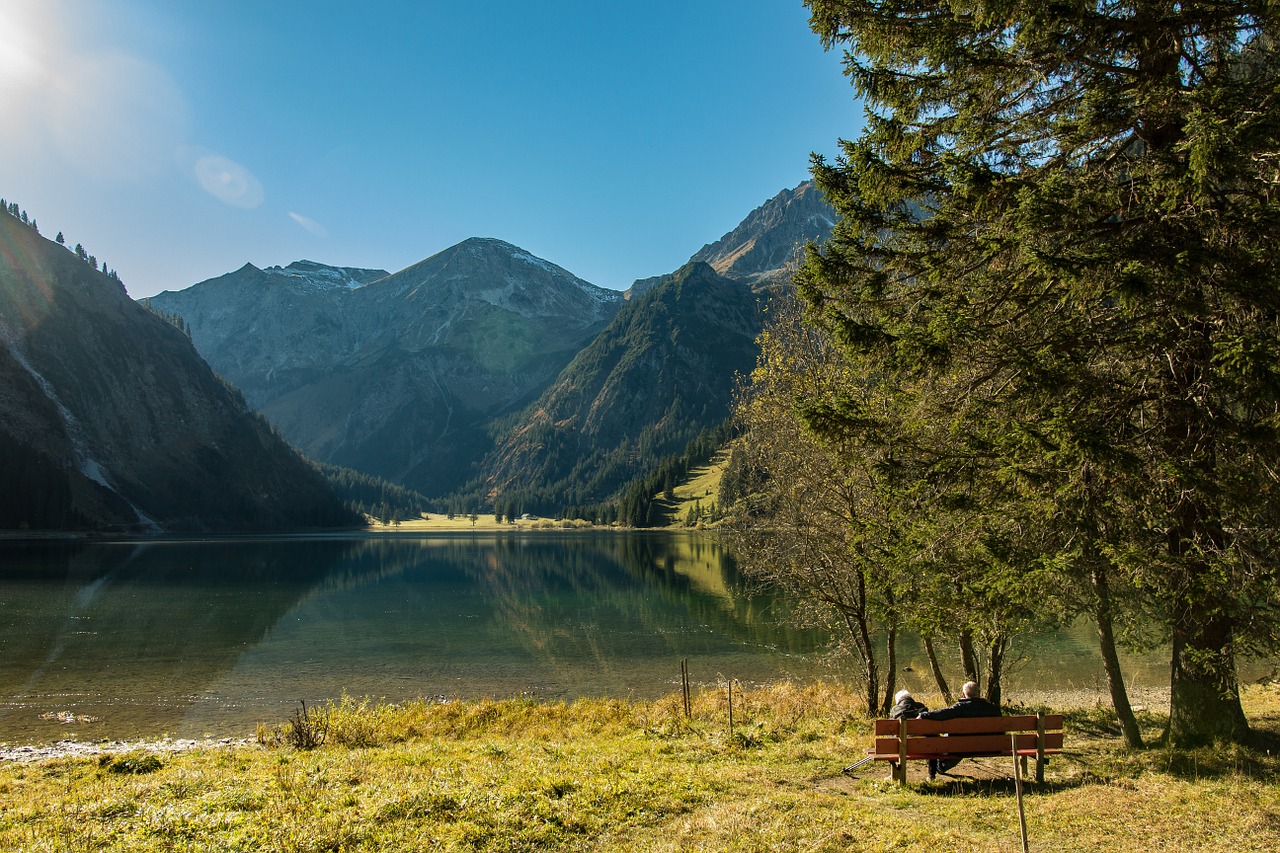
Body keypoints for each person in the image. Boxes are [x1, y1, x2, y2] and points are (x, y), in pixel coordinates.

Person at [917, 681, 1000, 780]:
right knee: (960, 742)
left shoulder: (960, 708)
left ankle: (939, 767)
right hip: (990, 747)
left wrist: (923, 715)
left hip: (961, 748)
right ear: (979, 693)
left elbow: (943, 713)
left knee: (948, 742)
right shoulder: (994, 709)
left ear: (963, 694)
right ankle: (941, 766)